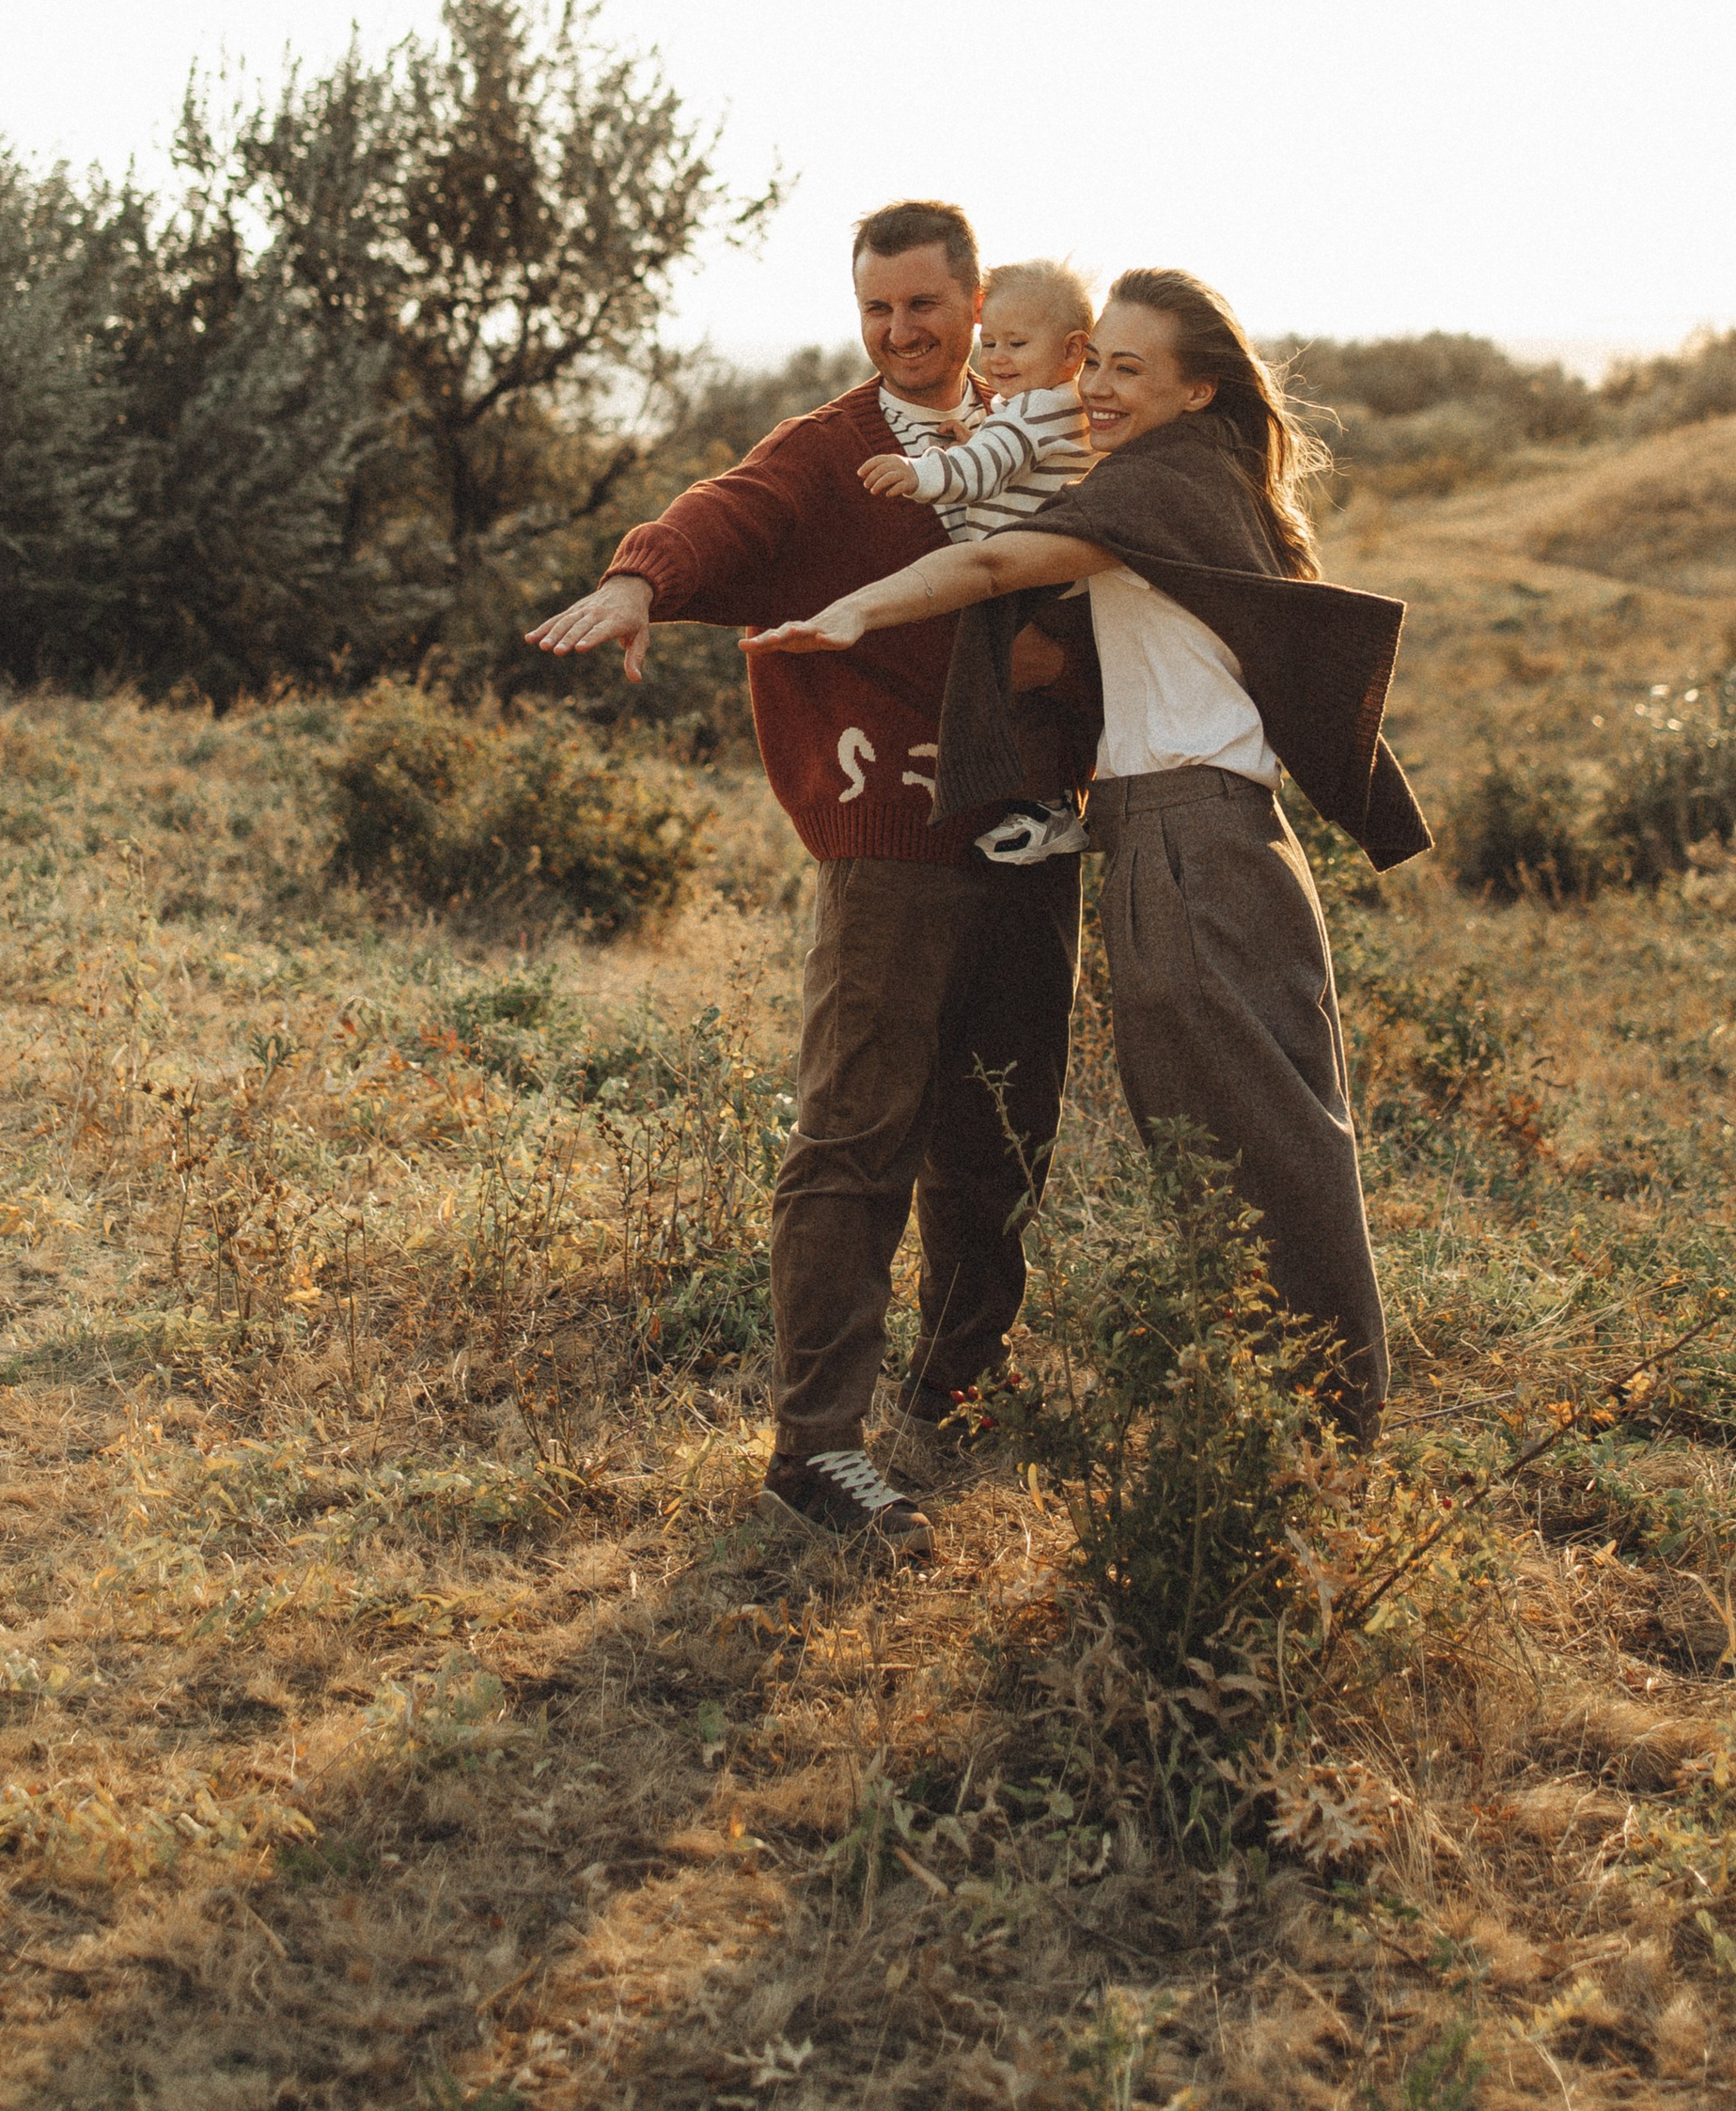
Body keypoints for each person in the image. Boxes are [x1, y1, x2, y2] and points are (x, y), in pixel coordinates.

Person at [747, 267, 1429, 1443]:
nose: (1096, 387)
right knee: (1254, 1123)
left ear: (1195, 389)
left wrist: (863, 609)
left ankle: (1317, 1423)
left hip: (1185, 836)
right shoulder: (1200, 479)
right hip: (1205, 833)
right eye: (1094, 361)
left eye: (1126, 369)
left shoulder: (1157, 483)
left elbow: (1001, 564)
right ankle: (1306, 1406)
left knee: (1241, 1133)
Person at [524, 202, 1087, 1567]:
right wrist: (641, 580)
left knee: (999, 1136)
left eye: (925, 310)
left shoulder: (1051, 432)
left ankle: (958, 1392)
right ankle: (817, 1445)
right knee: (854, 1139)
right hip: (889, 840)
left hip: (1030, 843)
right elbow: (730, 512)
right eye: (876, 310)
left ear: (977, 305)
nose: (901, 333)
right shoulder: (836, 454)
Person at [856, 257, 1097, 864]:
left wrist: (919, 472)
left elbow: (983, 469)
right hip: (1050, 578)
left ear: (1073, 351)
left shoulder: (1034, 407)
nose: (997, 358)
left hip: (1030, 586)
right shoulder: (1059, 406)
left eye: (1017, 343)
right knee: (1033, 696)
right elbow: (1007, 460)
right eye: (990, 342)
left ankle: (1043, 807)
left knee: (1002, 692)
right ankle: (1052, 802)